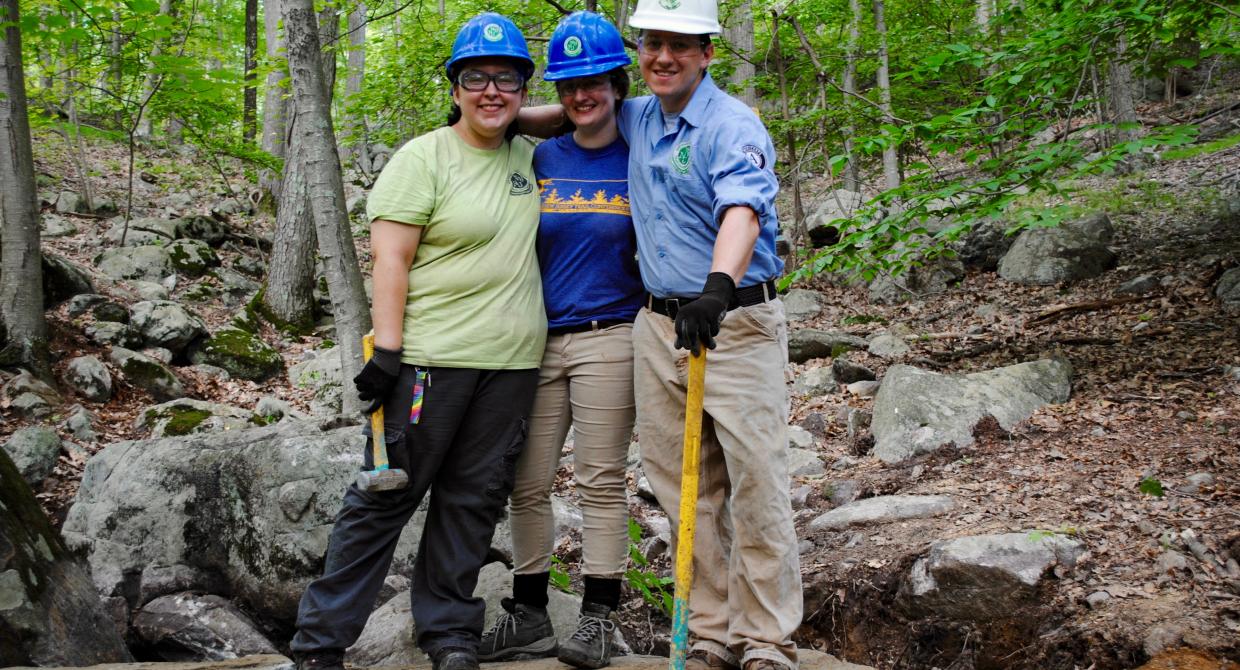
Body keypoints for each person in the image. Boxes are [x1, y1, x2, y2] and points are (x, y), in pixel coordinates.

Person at [289, 13, 546, 670]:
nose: (492, 90)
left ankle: (450, 635)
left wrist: (528, 114)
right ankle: (320, 646)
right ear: (454, 86)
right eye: (477, 77)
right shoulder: (424, 157)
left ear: (524, 87)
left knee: (472, 500)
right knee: (384, 497)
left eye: (508, 78)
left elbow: (579, 112)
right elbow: (392, 260)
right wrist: (389, 353)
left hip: (511, 367)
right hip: (430, 362)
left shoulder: (527, 155)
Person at [618, 0, 801, 669]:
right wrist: (490, 115)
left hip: (736, 323)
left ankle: (765, 641)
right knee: (683, 488)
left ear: (707, 52)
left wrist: (718, 286)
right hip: (660, 325)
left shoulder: (733, 124)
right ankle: (710, 635)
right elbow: (575, 112)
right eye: (652, 43)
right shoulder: (637, 117)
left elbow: (743, 208)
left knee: (757, 483)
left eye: (679, 44)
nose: (662, 56)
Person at [477, 12, 642, 670]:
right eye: (570, 84)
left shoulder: (643, 151)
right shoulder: (541, 156)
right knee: (529, 483)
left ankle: (600, 617)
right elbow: (501, 117)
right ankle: (529, 616)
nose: (583, 95)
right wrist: (550, 114)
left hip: (614, 335)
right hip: (539, 339)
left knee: (601, 482)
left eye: (596, 81)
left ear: (617, 84)